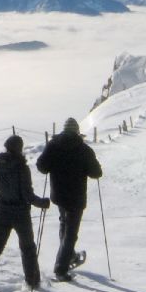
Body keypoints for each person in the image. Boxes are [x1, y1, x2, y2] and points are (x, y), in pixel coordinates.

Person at [0, 134, 50, 291]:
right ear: (20, 148)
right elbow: (27, 195)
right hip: (20, 214)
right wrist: (42, 203)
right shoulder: (22, 167)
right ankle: (32, 281)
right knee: (27, 247)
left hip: (0, 212)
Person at [35, 116, 103, 282]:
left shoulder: (53, 146)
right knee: (71, 233)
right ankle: (61, 268)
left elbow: (41, 167)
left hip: (58, 195)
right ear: (77, 132)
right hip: (76, 196)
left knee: (64, 225)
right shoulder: (84, 149)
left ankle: (69, 255)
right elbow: (96, 173)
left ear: (63, 130)